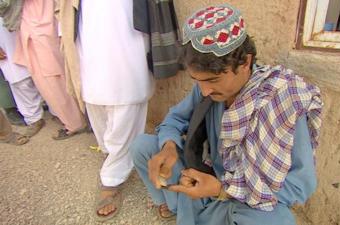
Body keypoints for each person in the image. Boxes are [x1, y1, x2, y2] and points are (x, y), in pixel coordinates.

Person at [130, 4, 323, 225]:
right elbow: (175, 119)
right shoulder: (207, 91)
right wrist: (169, 147)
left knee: (278, 221)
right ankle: (174, 205)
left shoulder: (282, 102)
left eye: (212, 80)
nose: (204, 91)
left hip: (242, 201)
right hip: (202, 183)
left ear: (245, 63)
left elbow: (299, 186)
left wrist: (223, 190)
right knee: (143, 146)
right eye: (197, 81)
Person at [68, 0, 155, 221]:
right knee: (94, 99)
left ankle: (112, 178)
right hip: (88, 31)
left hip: (127, 32)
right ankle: (113, 153)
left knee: (127, 98)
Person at [13, 0, 85, 140]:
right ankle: (73, 118)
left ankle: (74, 123)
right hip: (42, 29)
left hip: (40, 30)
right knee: (56, 78)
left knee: (53, 81)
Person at [0, 18, 44, 137]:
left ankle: (58, 112)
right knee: (20, 80)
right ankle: (34, 119)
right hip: (4, 39)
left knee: (46, 74)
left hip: (28, 25)